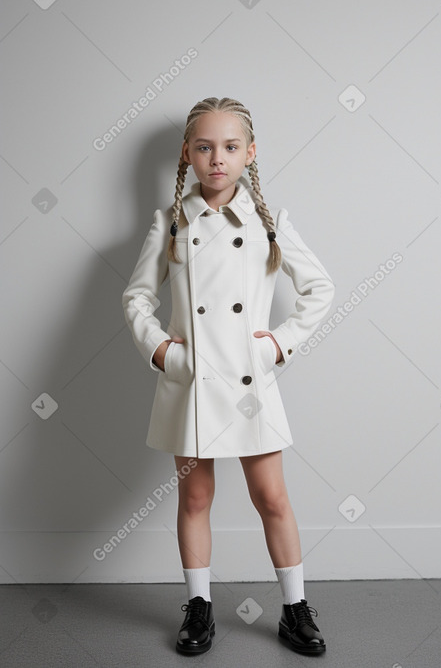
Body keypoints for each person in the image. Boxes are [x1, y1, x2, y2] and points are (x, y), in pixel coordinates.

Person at [122, 97, 335, 655]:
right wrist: (165, 353)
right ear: (188, 154)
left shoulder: (270, 222)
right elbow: (137, 297)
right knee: (194, 499)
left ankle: (294, 610)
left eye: (231, 147)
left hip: (248, 386)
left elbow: (321, 290)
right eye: (205, 147)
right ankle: (199, 609)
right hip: (191, 385)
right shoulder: (169, 222)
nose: (218, 158)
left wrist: (278, 346)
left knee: (272, 497)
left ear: (250, 153)